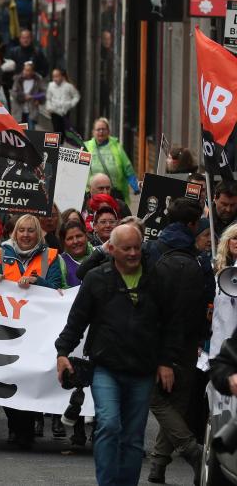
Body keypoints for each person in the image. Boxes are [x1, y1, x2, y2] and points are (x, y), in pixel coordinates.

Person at [55, 224, 177, 486]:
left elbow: (170, 325)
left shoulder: (157, 279)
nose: (134, 253)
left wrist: (166, 361)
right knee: (109, 425)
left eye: (137, 247)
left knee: (133, 438)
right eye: (127, 248)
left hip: (143, 370)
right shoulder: (97, 279)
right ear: (111, 249)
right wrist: (62, 352)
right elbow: (77, 320)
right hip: (106, 368)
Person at [142, 200, 208, 483]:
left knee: (162, 399)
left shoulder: (152, 251)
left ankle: (160, 464)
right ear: (193, 226)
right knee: (170, 401)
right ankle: (192, 451)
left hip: (158, 339)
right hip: (184, 343)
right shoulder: (195, 260)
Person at [0, 214, 64, 447]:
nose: (25, 235)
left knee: (30, 378)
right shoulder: (0, 253)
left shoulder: (51, 256)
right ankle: (14, 425)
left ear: (39, 234)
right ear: (14, 233)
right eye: (21, 230)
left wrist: (37, 283)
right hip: (6, 326)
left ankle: (27, 427)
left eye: (31, 231)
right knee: (6, 377)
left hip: (37, 328)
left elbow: (56, 288)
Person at [84, 118, 139, 204]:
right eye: (98, 129)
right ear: (93, 132)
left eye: (103, 129)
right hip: (93, 195)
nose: (101, 132)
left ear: (108, 131)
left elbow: (128, 168)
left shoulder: (117, 146)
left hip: (114, 194)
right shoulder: (86, 147)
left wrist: (135, 187)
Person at [44, 68, 80, 136]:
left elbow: (76, 96)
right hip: (54, 110)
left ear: (62, 77)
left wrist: (70, 104)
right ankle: (58, 144)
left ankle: (61, 142)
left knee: (63, 129)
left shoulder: (69, 86)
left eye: (57, 76)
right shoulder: (51, 85)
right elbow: (48, 98)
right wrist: (49, 107)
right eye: (53, 76)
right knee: (56, 129)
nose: (55, 79)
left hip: (64, 111)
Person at [11, 61, 46, 131]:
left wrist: (39, 100)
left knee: (31, 130)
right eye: (25, 70)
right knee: (22, 131)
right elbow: (13, 93)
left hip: (32, 109)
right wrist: (23, 97)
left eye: (28, 70)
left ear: (32, 71)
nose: (26, 72)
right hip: (19, 109)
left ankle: (31, 141)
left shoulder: (37, 80)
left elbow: (43, 92)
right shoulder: (18, 79)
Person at [59, 220, 93, 287]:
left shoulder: (99, 254)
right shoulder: (60, 261)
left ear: (86, 236)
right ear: (63, 242)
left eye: (79, 236)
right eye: (70, 238)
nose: (75, 241)